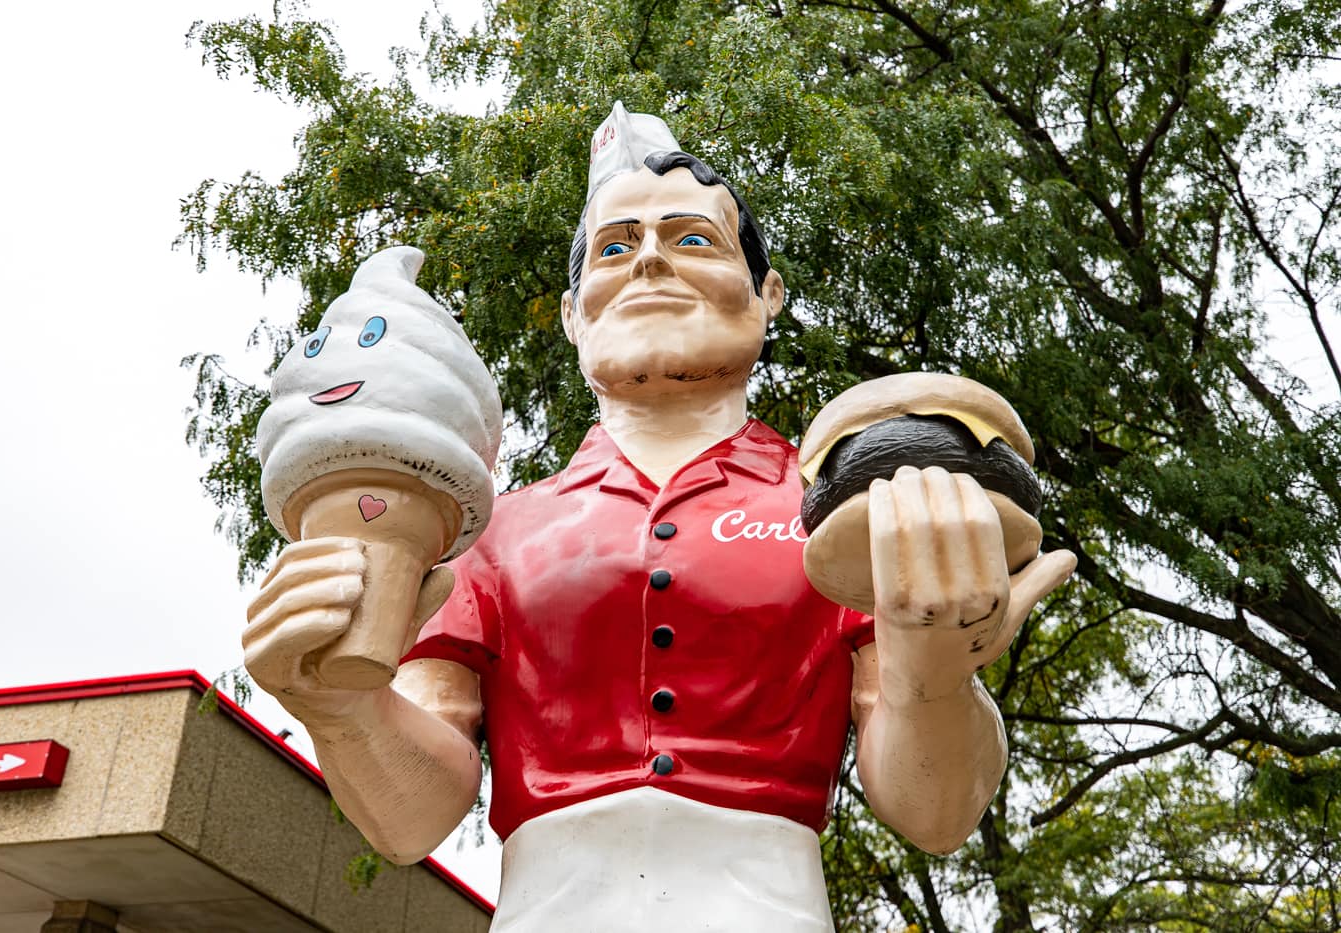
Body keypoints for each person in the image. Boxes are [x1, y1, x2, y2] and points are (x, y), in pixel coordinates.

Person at [243, 103, 1076, 931]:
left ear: (767, 294)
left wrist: (933, 673)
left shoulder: (843, 508)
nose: (647, 262)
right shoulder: (493, 534)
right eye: (614, 247)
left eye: (691, 239)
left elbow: (934, 813)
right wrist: (340, 709)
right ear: (574, 314)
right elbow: (410, 819)